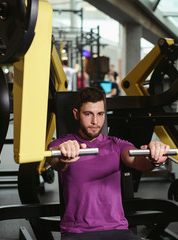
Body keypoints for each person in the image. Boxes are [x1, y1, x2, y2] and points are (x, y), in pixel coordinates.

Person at [47, 87, 170, 240]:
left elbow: (138, 161)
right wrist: (63, 156)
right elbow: (56, 162)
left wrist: (154, 158)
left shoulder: (116, 144)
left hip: (117, 230)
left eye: (100, 114)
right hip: (78, 232)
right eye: (88, 114)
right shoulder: (62, 144)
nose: (95, 121)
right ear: (76, 114)